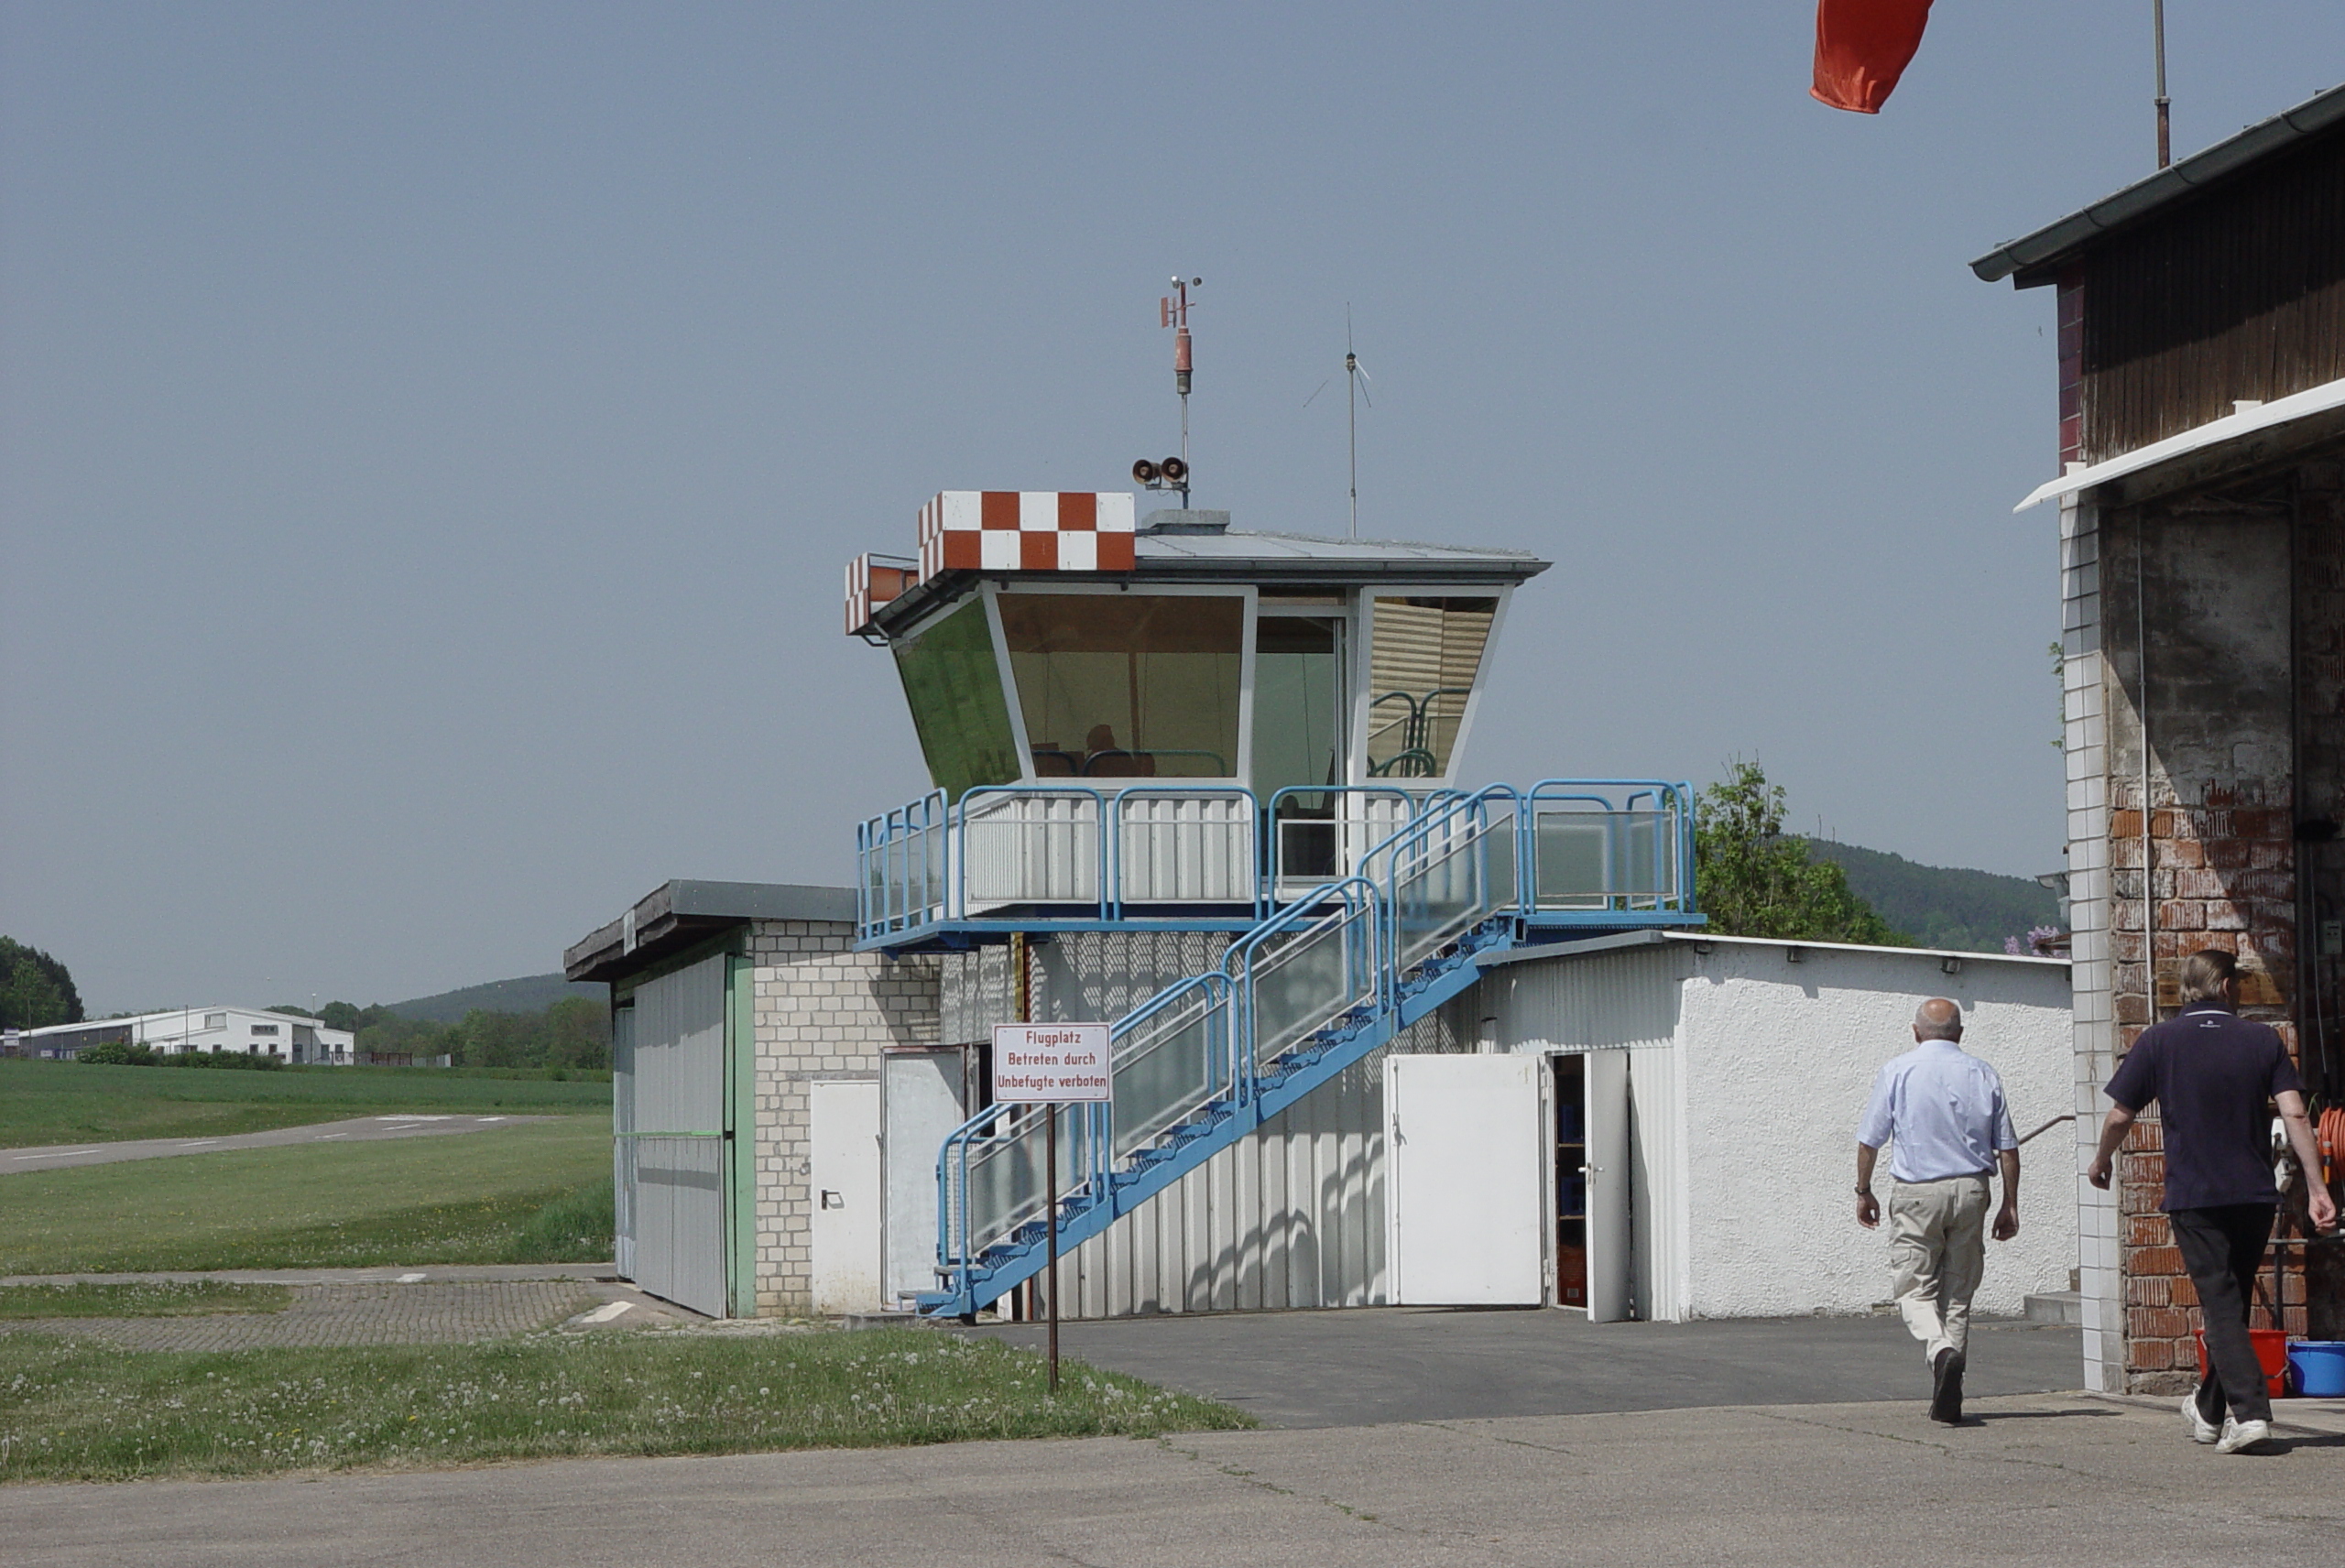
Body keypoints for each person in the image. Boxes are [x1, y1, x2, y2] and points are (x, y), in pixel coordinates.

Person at [2089, 948, 2338, 1456]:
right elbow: (2295, 1116)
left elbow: (2119, 1116)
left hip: (2195, 1194)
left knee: (2221, 1307)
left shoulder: (2158, 1040)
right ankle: (2207, 1407)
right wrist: (2317, 1187)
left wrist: (2101, 1160)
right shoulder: (2261, 1039)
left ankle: (2250, 1414)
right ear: (2226, 987)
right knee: (2232, 1303)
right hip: (2252, 1193)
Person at [1855, 996, 2022, 1425]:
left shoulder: (1897, 1071)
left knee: (1913, 1289)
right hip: (1971, 1191)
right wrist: (2010, 1204)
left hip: (1917, 1192)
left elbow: (1870, 1140)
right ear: (1959, 1034)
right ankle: (1949, 1392)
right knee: (1958, 1294)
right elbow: (2008, 1148)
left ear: (1915, 1032)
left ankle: (1939, 1350)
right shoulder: (1983, 1073)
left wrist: (1864, 1190)